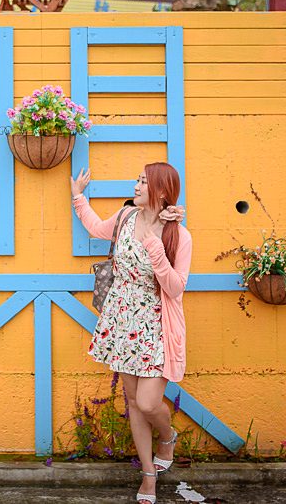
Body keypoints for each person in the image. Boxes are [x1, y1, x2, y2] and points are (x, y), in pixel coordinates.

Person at [70, 163, 191, 504]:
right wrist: (78, 197)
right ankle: (148, 475)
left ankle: (167, 437)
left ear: (162, 192)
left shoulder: (178, 235)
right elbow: (96, 228)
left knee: (149, 402)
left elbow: (176, 287)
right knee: (134, 403)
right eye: (137, 180)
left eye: (143, 181)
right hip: (122, 320)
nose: (136, 186)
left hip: (155, 324)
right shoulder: (125, 217)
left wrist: (155, 249)